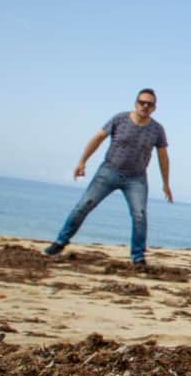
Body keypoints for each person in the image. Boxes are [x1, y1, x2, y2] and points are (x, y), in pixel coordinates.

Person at [44, 89, 173, 268]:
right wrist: (82, 162)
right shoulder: (119, 119)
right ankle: (59, 242)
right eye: (142, 102)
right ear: (136, 103)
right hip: (109, 172)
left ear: (154, 108)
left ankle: (138, 258)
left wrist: (166, 183)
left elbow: (163, 157)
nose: (145, 106)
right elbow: (97, 139)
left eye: (149, 104)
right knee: (83, 206)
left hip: (136, 179)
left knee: (140, 215)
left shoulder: (157, 130)